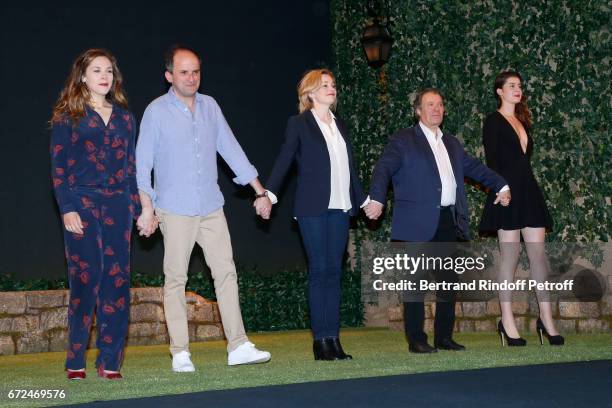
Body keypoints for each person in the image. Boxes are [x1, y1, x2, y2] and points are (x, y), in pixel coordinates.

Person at [135, 45, 271, 372]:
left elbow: (231, 150)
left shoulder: (210, 107)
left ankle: (238, 345)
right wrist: (146, 208)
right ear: (169, 75)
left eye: (195, 71)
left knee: (226, 273)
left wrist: (260, 191)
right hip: (174, 209)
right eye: (184, 72)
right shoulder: (156, 111)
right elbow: (142, 164)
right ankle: (180, 352)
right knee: (175, 279)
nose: (191, 77)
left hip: (211, 205)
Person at [365, 88, 510, 353]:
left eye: (440, 104)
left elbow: (475, 168)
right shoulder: (403, 140)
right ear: (418, 110)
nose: (436, 109)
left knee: (448, 283)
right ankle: (417, 340)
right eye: (430, 104)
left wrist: (500, 185)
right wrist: (376, 198)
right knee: (415, 284)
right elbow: (383, 168)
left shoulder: (452, 143)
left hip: (447, 220)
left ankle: (444, 337)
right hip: (416, 223)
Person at [260, 69, 366, 360]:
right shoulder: (299, 124)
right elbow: (284, 160)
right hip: (312, 208)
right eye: (325, 85)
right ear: (310, 93)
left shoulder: (339, 125)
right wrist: (268, 193)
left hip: (341, 207)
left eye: (333, 84)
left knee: (334, 272)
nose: (332, 88)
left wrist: (364, 199)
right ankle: (321, 340)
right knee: (319, 271)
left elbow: (350, 169)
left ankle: (334, 338)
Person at [50, 48, 140, 380]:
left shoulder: (126, 118)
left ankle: (110, 361)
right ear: (83, 76)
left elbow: (131, 168)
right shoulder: (67, 115)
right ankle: (76, 359)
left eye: (109, 71)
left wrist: (139, 209)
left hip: (118, 205)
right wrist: (67, 208)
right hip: (82, 203)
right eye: (97, 70)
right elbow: (58, 169)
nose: (104, 76)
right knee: (86, 282)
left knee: (116, 282)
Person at [479, 71, 564, 346]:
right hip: (507, 192)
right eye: (511, 86)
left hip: (529, 191)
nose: (517, 89)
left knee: (539, 258)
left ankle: (547, 319)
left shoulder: (523, 121)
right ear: (499, 91)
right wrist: (500, 189)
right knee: (510, 259)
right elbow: (493, 161)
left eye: (519, 86)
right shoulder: (493, 121)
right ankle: (507, 321)